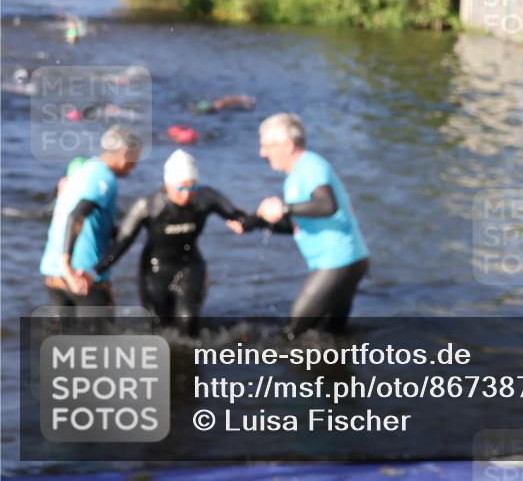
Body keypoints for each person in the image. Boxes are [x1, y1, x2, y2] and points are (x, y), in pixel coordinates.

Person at [90, 150, 252, 336]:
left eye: (192, 187)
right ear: (168, 184)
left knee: (188, 322)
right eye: (181, 188)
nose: (186, 195)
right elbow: (122, 243)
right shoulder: (148, 206)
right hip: (155, 270)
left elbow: (235, 215)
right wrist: (95, 271)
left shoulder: (205, 198)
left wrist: (255, 220)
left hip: (189, 267)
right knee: (159, 328)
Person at [249, 113, 369, 338]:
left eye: (267, 146)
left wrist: (284, 207)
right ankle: (338, 372)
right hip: (347, 260)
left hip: (337, 262)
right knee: (332, 334)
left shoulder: (309, 166)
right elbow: (301, 222)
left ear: (287, 145)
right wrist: (253, 223)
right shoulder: (296, 174)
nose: (262, 153)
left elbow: (326, 205)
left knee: (293, 333)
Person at [39, 125, 142, 305]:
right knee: (102, 333)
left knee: (59, 333)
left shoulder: (83, 169)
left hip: (52, 271)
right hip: (82, 274)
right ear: (126, 153)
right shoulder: (104, 177)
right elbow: (77, 215)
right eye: (135, 159)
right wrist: (68, 266)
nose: (134, 167)